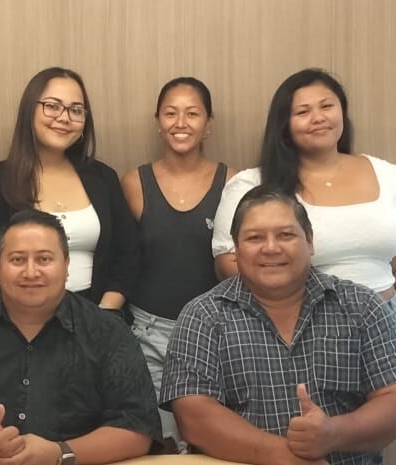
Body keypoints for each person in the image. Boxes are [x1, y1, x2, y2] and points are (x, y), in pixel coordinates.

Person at [161, 185, 396, 465]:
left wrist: (332, 434)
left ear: (310, 242)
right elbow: (193, 417)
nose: (271, 248)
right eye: (254, 238)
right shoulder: (202, 315)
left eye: (286, 235)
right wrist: (283, 456)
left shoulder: (361, 305)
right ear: (236, 250)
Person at [211, 68, 396, 365]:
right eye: (303, 111)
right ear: (284, 125)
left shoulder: (387, 175)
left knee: (389, 411)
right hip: (296, 331)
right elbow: (230, 263)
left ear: (342, 112)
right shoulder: (253, 185)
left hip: (387, 325)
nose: (318, 117)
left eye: (327, 106)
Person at [0, 210, 161, 465]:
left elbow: (137, 428)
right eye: (17, 260)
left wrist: (59, 453)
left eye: (44, 259)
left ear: (66, 266)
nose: (31, 272)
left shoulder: (108, 333)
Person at [0, 67, 138, 315]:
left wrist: (104, 315)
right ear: (30, 111)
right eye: (53, 106)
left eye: (76, 110)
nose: (64, 117)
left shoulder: (103, 177)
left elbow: (128, 253)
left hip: (100, 316)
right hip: (22, 319)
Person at [120, 77, 231, 452]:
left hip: (216, 333)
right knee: (163, 443)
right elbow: (124, 258)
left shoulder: (233, 182)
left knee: (212, 443)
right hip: (148, 332)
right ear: (158, 121)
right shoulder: (135, 182)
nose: (180, 122)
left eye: (192, 113)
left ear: (208, 124)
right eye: (170, 113)